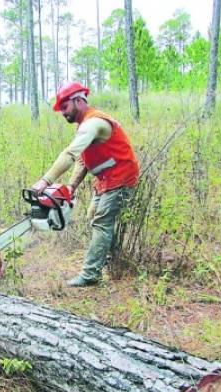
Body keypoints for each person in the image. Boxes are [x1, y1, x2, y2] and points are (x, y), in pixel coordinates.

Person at [31, 81, 139, 287]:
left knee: (101, 223)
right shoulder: (85, 126)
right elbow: (82, 159)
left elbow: (70, 153)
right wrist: (71, 186)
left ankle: (90, 274)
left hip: (120, 178)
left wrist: (45, 181)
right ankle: (108, 258)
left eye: (65, 107)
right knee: (94, 218)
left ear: (79, 101)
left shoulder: (94, 123)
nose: (62, 112)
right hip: (106, 180)